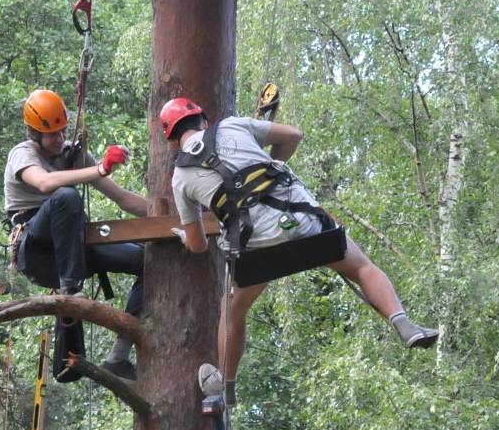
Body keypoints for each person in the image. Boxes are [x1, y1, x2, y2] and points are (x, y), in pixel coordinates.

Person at [159, 97, 438, 406]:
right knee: (361, 268)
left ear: (172, 140)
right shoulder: (233, 125)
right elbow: (293, 135)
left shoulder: (180, 177)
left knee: (232, 313)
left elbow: (198, 245)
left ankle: (227, 386)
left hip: (255, 250)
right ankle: (403, 323)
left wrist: (185, 238)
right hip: (304, 223)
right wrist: (274, 165)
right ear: (204, 121)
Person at [4, 89, 147, 380]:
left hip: (72, 248)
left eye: (62, 131)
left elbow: (124, 200)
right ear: (34, 134)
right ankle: (70, 288)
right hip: (37, 249)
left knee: (148, 262)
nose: (59, 138)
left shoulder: (74, 155)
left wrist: (178, 217)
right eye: (51, 134)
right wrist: (99, 168)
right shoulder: (23, 154)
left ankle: (118, 356)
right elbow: (44, 183)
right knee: (66, 196)